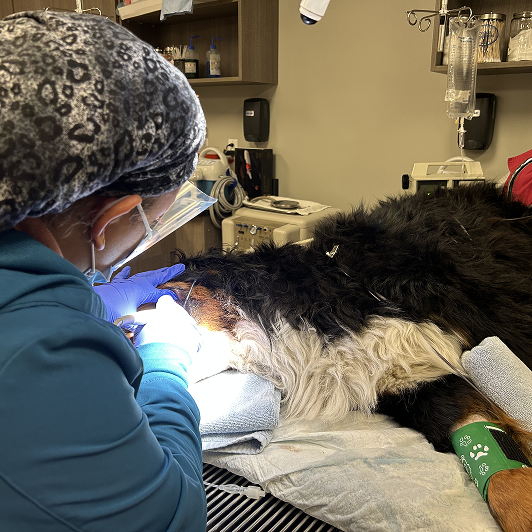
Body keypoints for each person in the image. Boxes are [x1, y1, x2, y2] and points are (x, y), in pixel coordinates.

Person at [0, 10, 209, 531]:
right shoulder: (40, 354)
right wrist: (166, 364)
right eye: (153, 222)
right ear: (113, 217)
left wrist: (81, 298)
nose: (148, 237)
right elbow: (172, 520)